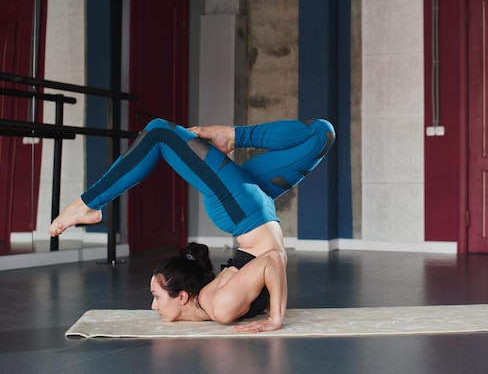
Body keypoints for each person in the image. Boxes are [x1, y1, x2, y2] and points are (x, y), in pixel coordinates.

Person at [49, 118, 335, 332]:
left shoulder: (216, 302)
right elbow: (274, 258)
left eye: (155, 297)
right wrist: (276, 318)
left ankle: (234, 135)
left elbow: (269, 260)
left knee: (321, 133)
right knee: (159, 132)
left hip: (246, 209)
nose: (153, 306)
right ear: (183, 296)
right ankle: (89, 204)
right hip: (244, 207)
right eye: (156, 296)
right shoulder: (222, 308)